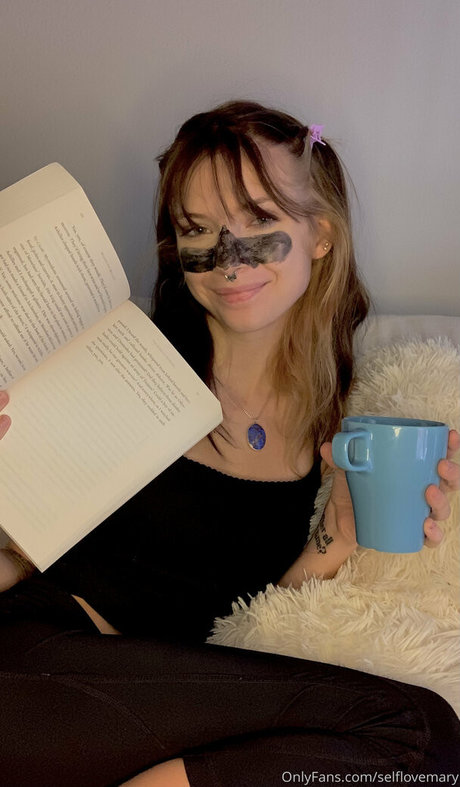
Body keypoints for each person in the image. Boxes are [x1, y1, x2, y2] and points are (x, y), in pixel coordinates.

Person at [0, 100, 459, 787]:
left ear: (321, 234)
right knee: (417, 730)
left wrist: (334, 540)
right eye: (198, 229)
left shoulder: (344, 417)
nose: (229, 260)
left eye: (260, 221)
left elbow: (247, 638)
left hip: (164, 708)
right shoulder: (127, 363)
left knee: (421, 748)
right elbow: (15, 561)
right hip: (34, 668)